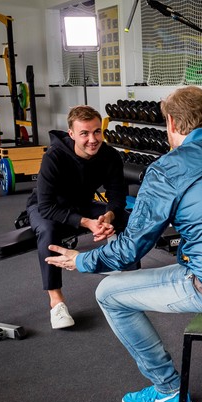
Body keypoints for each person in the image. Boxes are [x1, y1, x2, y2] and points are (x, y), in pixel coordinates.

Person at [46, 86, 202, 402]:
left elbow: (131, 249)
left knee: (108, 292)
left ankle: (167, 390)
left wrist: (84, 260)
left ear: (172, 124)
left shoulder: (166, 168)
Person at [26, 105, 128, 329]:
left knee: (125, 218)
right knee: (48, 231)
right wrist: (87, 223)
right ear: (72, 134)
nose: (92, 139)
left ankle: (129, 282)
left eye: (97, 131)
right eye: (84, 133)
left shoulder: (109, 155)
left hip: (81, 205)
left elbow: (117, 196)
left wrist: (108, 217)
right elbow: (46, 206)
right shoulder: (54, 156)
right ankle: (56, 302)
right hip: (47, 208)